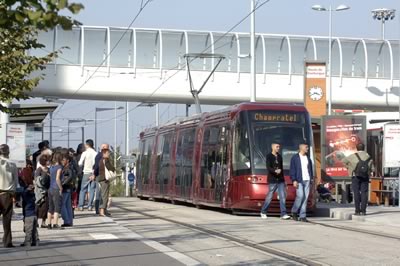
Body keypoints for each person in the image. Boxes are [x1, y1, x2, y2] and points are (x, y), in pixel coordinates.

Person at [260, 143, 291, 220]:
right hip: (272, 180)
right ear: (273, 147)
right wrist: (275, 171)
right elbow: (268, 167)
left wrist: (284, 181)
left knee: (282, 197)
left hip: (280, 180)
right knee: (269, 196)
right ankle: (263, 212)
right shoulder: (269, 156)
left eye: (279, 147)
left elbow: (282, 169)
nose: (278, 148)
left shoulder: (280, 156)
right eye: (277, 147)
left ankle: (283, 214)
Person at [343, 143, 374, 216]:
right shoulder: (368, 156)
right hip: (365, 177)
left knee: (356, 192)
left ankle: (357, 211)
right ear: (364, 148)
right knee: (364, 193)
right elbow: (372, 168)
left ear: (357, 148)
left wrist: (350, 168)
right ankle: (363, 211)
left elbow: (344, 161)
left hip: (355, 176)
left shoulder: (352, 156)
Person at [0, 144, 18, 248]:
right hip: (7, 194)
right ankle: (7, 241)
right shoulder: (12, 164)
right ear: (8, 152)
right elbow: (15, 182)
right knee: (6, 219)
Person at [290, 142, 313, 222]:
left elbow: (310, 169)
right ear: (301, 148)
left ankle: (302, 216)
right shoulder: (295, 158)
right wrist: (294, 180)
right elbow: (292, 170)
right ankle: (294, 211)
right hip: (299, 180)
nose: (307, 148)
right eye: (306, 147)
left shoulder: (308, 158)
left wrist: (311, 179)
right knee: (300, 196)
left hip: (307, 180)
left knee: (305, 198)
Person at [78, 139, 97, 211]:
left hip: (86, 172)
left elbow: (80, 163)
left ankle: (81, 206)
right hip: (93, 173)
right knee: (92, 190)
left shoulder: (85, 153)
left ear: (87, 145)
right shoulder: (95, 153)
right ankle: (90, 206)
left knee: (83, 189)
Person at [96, 145, 115, 217]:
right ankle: (102, 211)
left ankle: (104, 210)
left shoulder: (100, 160)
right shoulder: (105, 160)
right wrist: (113, 168)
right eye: (108, 153)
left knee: (104, 195)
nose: (109, 154)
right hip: (104, 179)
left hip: (101, 179)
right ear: (104, 153)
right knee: (104, 195)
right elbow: (111, 168)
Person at [47, 152, 64, 230]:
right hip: (56, 188)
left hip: (50, 188)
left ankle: (49, 224)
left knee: (50, 207)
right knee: (57, 207)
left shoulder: (51, 167)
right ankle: (55, 224)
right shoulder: (59, 167)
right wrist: (61, 187)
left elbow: (51, 176)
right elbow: (57, 178)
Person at [34, 155, 50, 228]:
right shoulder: (39, 170)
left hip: (47, 190)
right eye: (47, 160)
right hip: (40, 191)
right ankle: (36, 221)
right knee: (38, 205)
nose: (48, 162)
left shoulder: (48, 169)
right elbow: (36, 180)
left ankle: (43, 222)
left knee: (45, 206)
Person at [61, 153, 75, 227]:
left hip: (66, 188)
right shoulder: (67, 167)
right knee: (67, 205)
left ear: (68, 160)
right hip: (68, 188)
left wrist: (62, 183)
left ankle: (67, 221)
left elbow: (70, 177)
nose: (62, 161)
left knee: (62, 204)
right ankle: (70, 221)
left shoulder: (68, 168)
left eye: (63, 160)